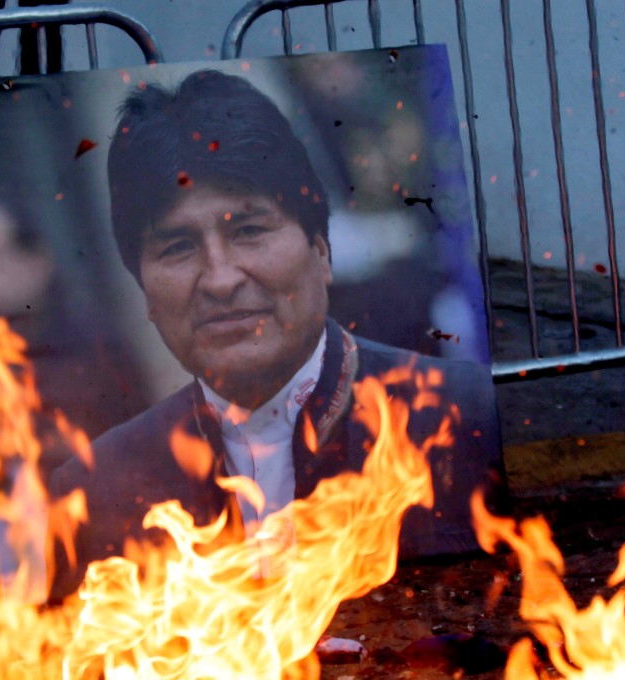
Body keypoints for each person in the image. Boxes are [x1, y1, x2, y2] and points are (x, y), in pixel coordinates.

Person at [47, 70, 504, 601]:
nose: (220, 279)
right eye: (178, 247)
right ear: (144, 292)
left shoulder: (469, 421)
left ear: (322, 250)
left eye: (249, 230)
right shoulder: (94, 492)